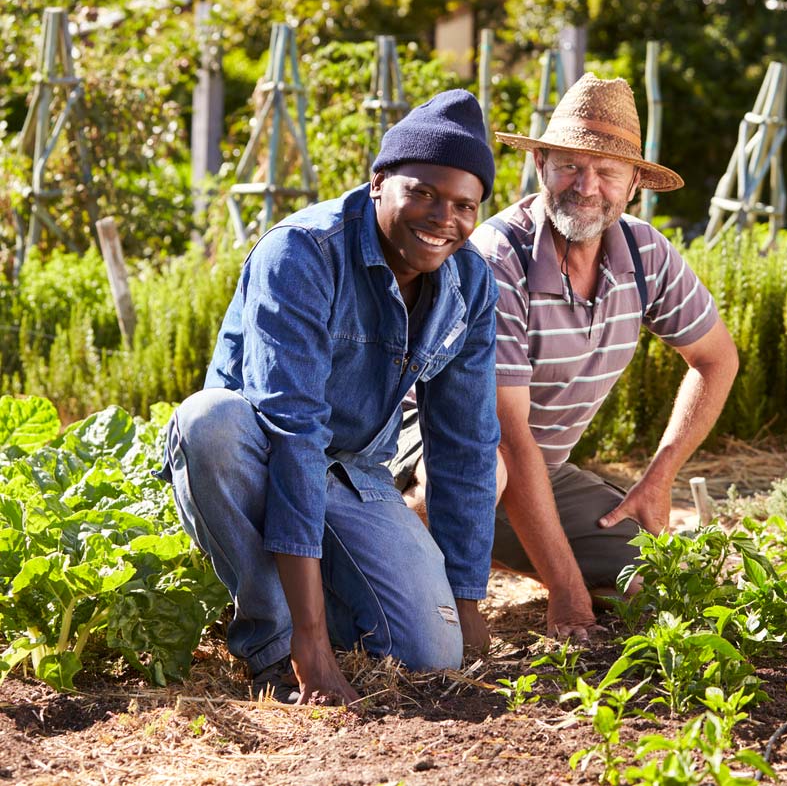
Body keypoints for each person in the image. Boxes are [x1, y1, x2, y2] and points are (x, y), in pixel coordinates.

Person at [161, 89, 501, 706]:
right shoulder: (304, 252)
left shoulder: (469, 286)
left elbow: (467, 445)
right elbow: (293, 432)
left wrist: (468, 605)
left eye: (463, 205)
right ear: (379, 183)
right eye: (421, 193)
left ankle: (318, 596)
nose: (441, 218)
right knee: (205, 421)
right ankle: (272, 641)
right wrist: (308, 643)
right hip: (258, 455)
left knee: (431, 653)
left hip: (354, 471)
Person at [389, 74, 739, 641]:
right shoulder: (495, 259)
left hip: (536, 471)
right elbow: (504, 436)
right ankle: (376, 563)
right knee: (486, 469)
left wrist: (657, 477)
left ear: (633, 187)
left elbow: (716, 358)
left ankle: (485, 550)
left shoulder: (647, 254)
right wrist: (567, 592)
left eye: (607, 172)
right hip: (432, 449)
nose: (587, 186)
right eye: (569, 166)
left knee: (655, 575)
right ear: (541, 167)